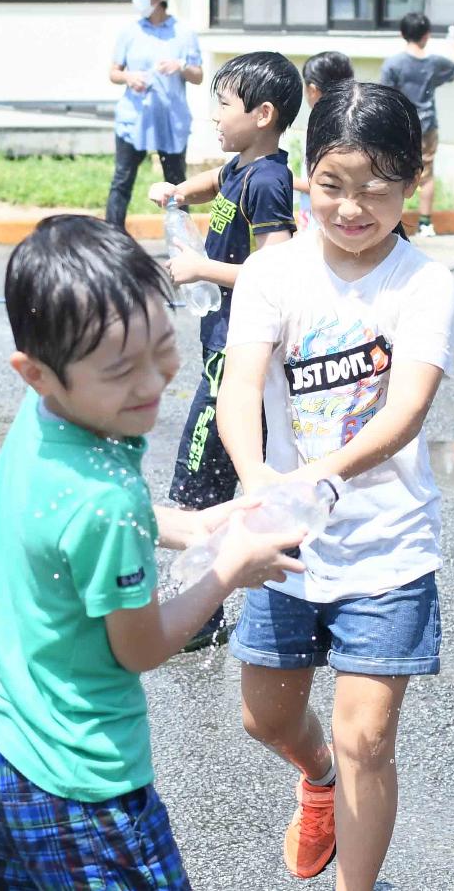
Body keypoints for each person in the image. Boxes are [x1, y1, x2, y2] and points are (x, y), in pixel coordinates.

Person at [0, 214, 303, 889]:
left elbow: (85, 522)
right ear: (37, 374)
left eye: (162, 347)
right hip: (80, 782)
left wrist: (200, 524)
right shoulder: (105, 499)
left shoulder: (47, 424)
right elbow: (140, 647)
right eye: (121, 369)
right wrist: (230, 566)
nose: (152, 383)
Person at [217, 81, 454, 889]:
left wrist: (317, 475)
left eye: (375, 190)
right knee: (267, 715)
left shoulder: (424, 284)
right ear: (305, 175)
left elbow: (406, 409)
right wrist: (259, 484)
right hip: (287, 544)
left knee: (370, 739)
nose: (352, 208)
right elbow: (239, 390)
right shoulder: (271, 272)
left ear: (412, 184)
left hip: (389, 547)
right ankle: (315, 777)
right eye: (332, 186)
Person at [148, 52, 300, 651]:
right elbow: (219, 178)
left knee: (198, 485)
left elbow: (276, 269)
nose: (213, 114)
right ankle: (223, 602)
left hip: (240, 352)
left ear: (262, 115)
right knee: (223, 479)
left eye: (223, 104)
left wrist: (201, 267)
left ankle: (203, 615)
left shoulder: (268, 180)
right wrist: (182, 188)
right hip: (225, 342)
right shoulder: (245, 163)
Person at [105, 0, 201, 229]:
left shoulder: (183, 33)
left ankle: (183, 240)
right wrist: (129, 77)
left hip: (171, 121)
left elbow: (198, 75)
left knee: (176, 183)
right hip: (134, 119)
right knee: (122, 179)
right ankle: (113, 238)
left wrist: (180, 65)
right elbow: (114, 72)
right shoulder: (129, 32)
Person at [376, 12, 454, 239]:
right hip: (427, 126)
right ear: (426, 35)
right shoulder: (434, 63)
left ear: (402, 34)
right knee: (426, 175)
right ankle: (425, 224)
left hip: (399, 126)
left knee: (392, 172)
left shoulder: (393, 64)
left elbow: (383, 96)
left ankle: (391, 221)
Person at [293, 51, 355, 229]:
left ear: (312, 89)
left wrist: (285, 179)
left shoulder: (323, 125)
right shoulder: (351, 118)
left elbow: (326, 184)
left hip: (322, 220)